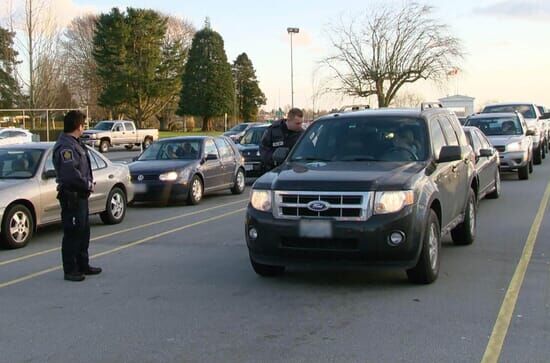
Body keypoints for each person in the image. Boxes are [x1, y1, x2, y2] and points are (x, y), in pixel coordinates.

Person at [53, 110, 101, 282]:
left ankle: (83, 264)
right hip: (71, 196)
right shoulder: (66, 146)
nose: (84, 128)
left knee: (83, 231)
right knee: (73, 233)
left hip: (81, 196)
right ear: (77, 126)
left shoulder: (76, 143)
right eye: (83, 124)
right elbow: (70, 174)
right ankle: (70, 269)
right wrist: (87, 184)